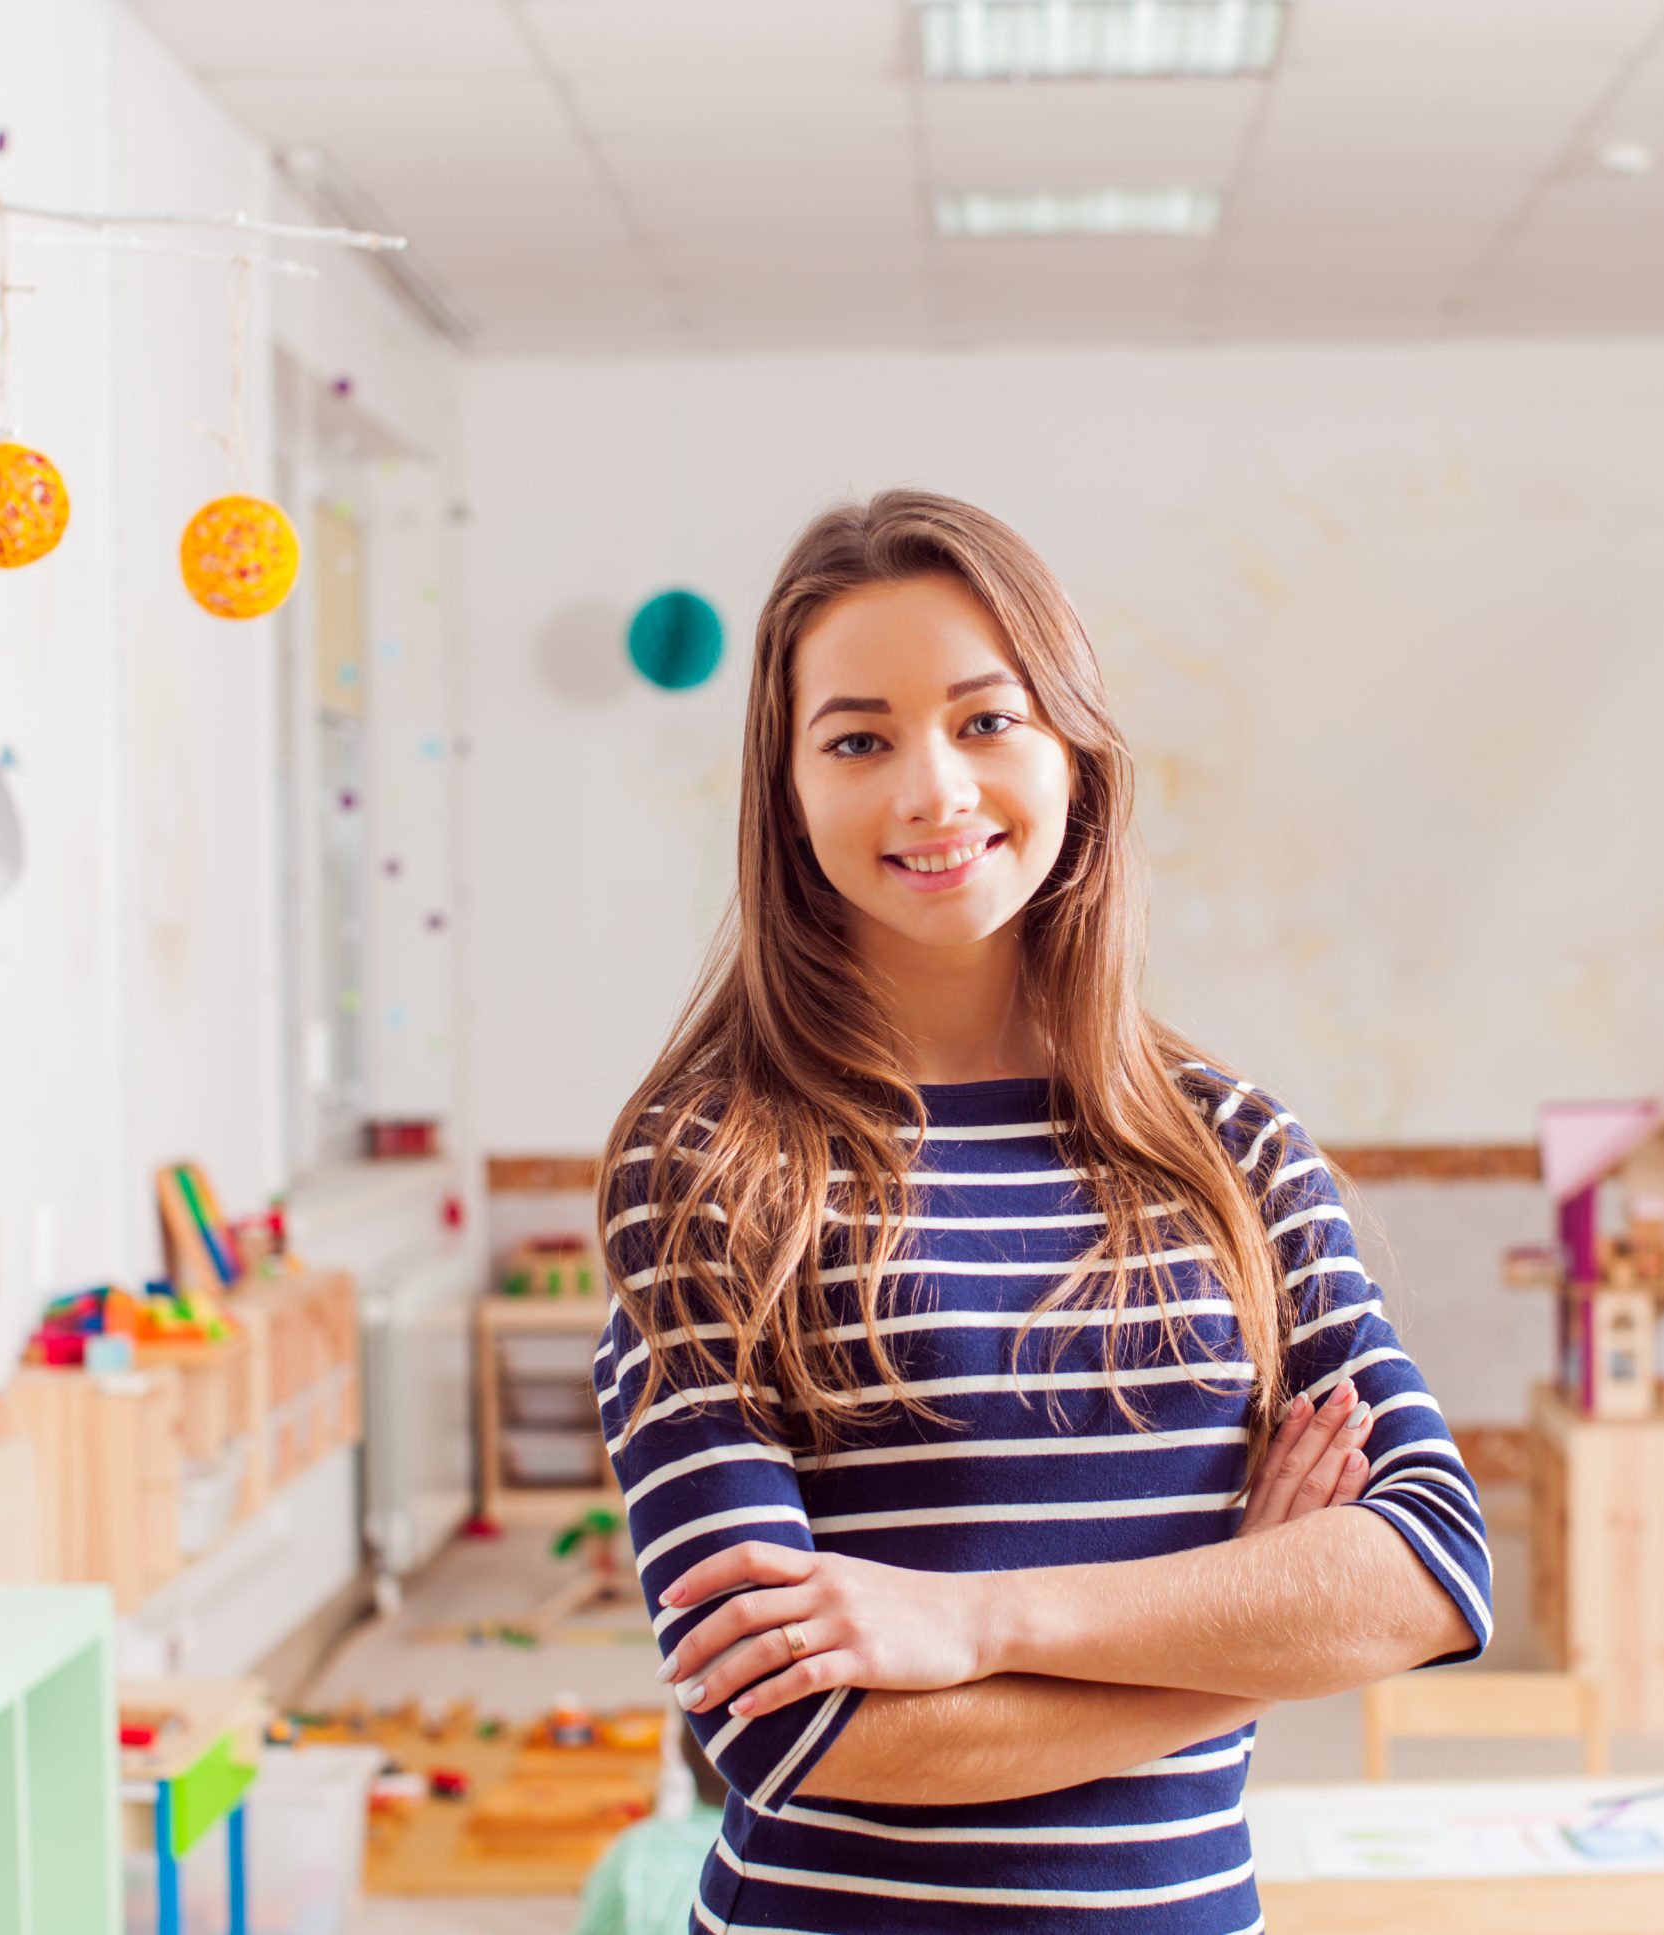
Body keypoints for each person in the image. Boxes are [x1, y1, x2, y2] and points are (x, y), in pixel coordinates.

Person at [592, 490, 1490, 1934]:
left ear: (1071, 741)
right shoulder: (711, 1173)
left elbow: (1431, 1574)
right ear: (788, 789)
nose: (935, 790)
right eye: (859, 738)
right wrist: (1250, 1620)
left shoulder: (1232, 1151)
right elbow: (793, 1739)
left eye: (987, 719)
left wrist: (975, 1623)